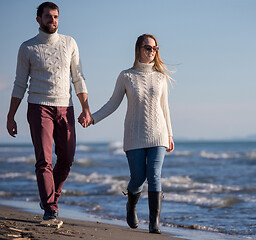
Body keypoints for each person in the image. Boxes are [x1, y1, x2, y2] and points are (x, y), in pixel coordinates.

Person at [6, 2, 92, 221]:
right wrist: (10, 115)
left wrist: (85, 109)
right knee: (43, 160)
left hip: (66, 107)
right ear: (38, 19)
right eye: (48, 17)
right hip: (38, 107)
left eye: (55, 17)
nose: (52, 20)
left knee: (67, 157)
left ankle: (50, 196)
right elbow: (19, 84)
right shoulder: (27, 48)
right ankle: (50, 208)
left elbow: (78, 78)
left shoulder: (70, 42)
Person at [82, 34, 174, 234]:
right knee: (138, 178)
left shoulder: (161, 77)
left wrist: (169, 135)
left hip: (159, 133)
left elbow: (164, 108)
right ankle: (131, 205)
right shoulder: (126, 76)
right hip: (134, 134)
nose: (152, 51)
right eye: (148, 47)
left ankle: (154, 223)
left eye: (155, 48)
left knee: (155, 176)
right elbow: (113, 103)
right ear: (138, 49)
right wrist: (93, 118)